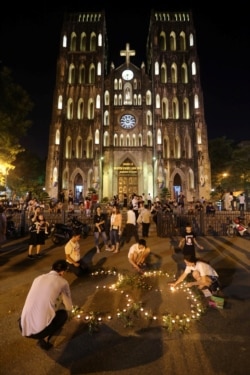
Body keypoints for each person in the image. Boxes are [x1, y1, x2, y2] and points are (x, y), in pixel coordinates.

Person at [19, 259, 73, 351]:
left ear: (52, 268)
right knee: (63, 314)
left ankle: (41, 329)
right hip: (39, 332)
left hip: (22, 325)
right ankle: (45, 338)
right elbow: (68, 304)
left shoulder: (38, 278)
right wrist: (71, 310)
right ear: (63, 272)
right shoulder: (63, 282)